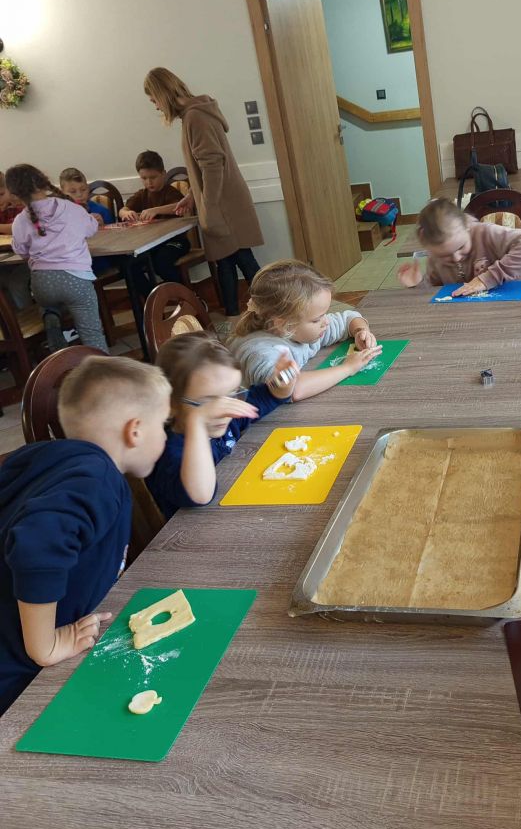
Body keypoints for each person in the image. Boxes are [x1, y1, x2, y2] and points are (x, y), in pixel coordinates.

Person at [0, 356, 170, 714]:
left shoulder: (43, 458)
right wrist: (45, 645)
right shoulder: (98, 478)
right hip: (17, 677)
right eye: (163, 425)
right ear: (136, 430)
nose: (166, 436)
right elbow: (36, 545)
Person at [142, 67, 263, 316]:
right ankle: (235, 316)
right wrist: (191, 196)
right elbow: (206, 167)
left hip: (222, 205)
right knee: (228, 260)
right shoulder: (195, 114)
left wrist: (209, 206)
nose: (156, 106)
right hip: (222, 201)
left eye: (154, 100)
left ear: (162, 93)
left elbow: (212, 165)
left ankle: (276, 309)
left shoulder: (195, 117)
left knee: (240, 258)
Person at [147, 332, 297, 521]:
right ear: (171, 404)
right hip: (199, 532)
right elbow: (200, 496)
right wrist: (196, 422)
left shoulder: (226, 416)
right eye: (209, 402)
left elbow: (268, 397)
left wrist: (282, 385)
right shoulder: (168, 452)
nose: (225, 410)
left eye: (233, 394)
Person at [229, 260, 381, 401]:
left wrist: (360, 331)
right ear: (285, 325)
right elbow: (293, 389)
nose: (326, 322)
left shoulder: (304, 330)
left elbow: (348, 319)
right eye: (317, 319)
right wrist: (347, 368)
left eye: (325, 314)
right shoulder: (261, 353)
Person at [6, 164, 108, 353]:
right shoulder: (71, 208)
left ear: (16, 194)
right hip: (76, 279)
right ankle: (104, 370)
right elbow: (91, 228)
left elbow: (21, 250)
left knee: (49, 303)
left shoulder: (20, 220)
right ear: (43, 180)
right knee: (92, 334)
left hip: (42, 282)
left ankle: (51, 317)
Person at [396, 197, 521, 295]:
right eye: (444, 255)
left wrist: (488, 278)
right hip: (465, 320)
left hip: (508, 310)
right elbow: (437, 295)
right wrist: (418, 285)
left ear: (467, 226)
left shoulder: (486, 233)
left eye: (461, 247)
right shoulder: (434, 257)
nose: (456, 258)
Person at [118, 150, 191, 298]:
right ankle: (154, 299)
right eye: (144, 178)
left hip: (176, 242)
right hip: (152, 245)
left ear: (163, 174)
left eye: (153, 177)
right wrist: (125, 213)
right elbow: (122, 210)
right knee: (129, 265)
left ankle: (187, 297)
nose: (149, 182)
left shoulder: (170, 192)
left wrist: (156, 210)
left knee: (162, 263)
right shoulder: (142, 194)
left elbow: (179, 206)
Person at [58, 166, 115, 275]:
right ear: (62, 193)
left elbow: (116, 237)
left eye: (83, 189)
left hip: (98, 260)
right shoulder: (58, 214)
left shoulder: (101, 211)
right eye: (73, 191)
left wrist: (103, 227)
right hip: (70, 263)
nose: (79, 195)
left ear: (88, 188)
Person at [0, 171, 30, 310]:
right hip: (7, 260)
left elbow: (18, 227)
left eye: (1, 194)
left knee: (16, 283)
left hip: (30, 259)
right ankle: (12, 317)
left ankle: (27, 316)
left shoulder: (21, 205)